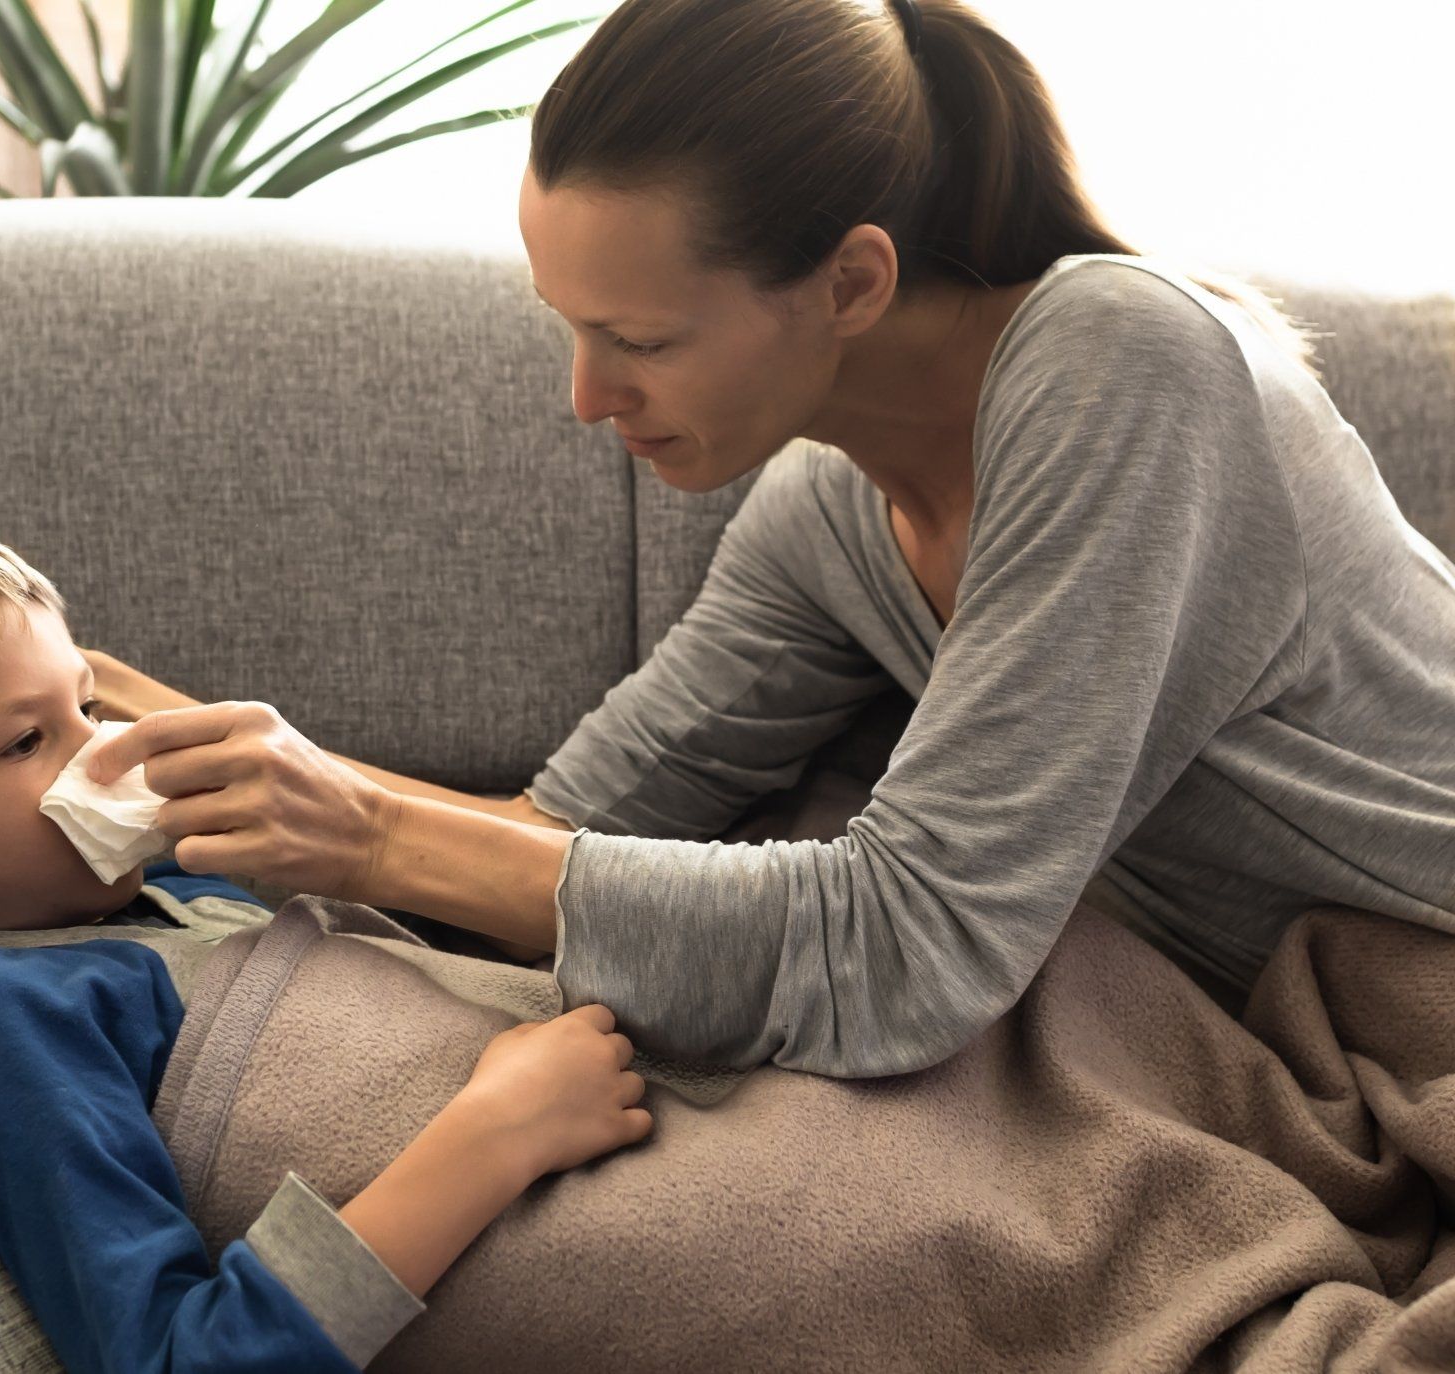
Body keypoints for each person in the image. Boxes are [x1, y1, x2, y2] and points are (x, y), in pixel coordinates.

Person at [81, 0, 1455, 1076]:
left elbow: (907, 951)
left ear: (853, 280)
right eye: (570, 327)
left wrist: (370, 831)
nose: (587, 397)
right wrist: (233, 771)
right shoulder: (823, 510)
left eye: (641, 340)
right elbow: (559, 834)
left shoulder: (1125, 362)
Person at [0, 519, 652, 1374]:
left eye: (86, 705)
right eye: (24, 742)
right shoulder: (1, 1017)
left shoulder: (170, 886)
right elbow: (176, 1357)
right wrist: (498, 1134)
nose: (105, 751)